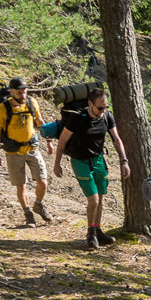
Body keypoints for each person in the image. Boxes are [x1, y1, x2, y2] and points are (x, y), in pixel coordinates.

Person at [52, 88, 130, 250]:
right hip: (80, 162)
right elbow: (62, 142)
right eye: (100, 108)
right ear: (90, 104)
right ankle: (90, 234)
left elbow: (116, 139)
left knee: (100, 199)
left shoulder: (107, 116)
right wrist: (57, 163)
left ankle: (98, 230)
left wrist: (124, 160)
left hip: (99, 160)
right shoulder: (77, 118)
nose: (103, 111)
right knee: (93, 200)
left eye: (105, 107)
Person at [0, 78, 53, 227]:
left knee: (43, 181)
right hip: (13, 152)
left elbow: (39, 122)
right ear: (11, 92)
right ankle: (28, 214)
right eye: (19, 92)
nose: (23, 94)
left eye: (24, 91)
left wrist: (48, 141)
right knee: (21, 186)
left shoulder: (32, 102)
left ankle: (38, 204)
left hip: (32, 148)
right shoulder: (3, 108)